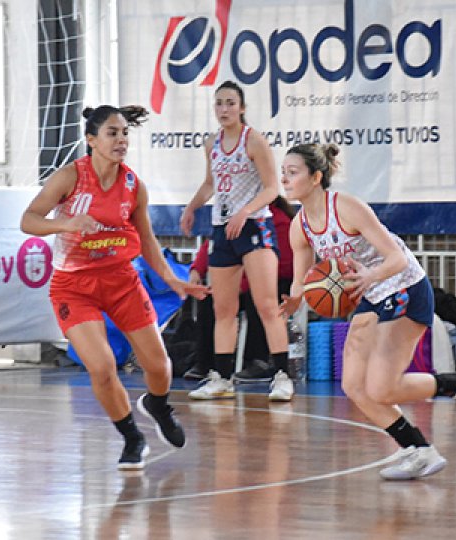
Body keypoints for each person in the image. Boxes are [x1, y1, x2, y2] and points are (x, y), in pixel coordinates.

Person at [278, 143, 456, 481]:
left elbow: (396, 258)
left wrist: (370, 275)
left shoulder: (347, 208)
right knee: (353, 385)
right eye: (284, 172)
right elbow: (303, 281)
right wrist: (294, 300)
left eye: (293, 172)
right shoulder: (300, 226)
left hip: (404, 286)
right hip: (371, 295)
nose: (285, 179)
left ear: (316, 176)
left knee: (381, 388)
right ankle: (418, 449)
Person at [20, 105, 208, 470]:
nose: (121, 139)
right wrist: (67, 224)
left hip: (121, 280)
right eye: (112, 133)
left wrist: (171, 278)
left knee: (159, 366)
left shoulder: (134, 185)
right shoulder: (69, 178)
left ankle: (157, 404)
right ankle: (131, 436)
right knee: (103, 366)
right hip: (74, 286)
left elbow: (147, 238)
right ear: (91, 140)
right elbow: (29, 220)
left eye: (124, 133)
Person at [180, 81, 292, 402]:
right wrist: (191, 206)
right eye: (219, 103)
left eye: (230, 103)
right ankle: (222, 377)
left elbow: (272, 188)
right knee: (223, 309)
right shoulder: (212, 143)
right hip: (222, 229)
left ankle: (282, 375)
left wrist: (246, 211)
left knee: (267, 305)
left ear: (242, 107)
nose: (224, 109)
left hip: (255, 226)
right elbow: (210, 184)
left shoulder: (254, 141)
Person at [183, 196, 296, 386]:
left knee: (259, 301)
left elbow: (283, 266)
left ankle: (259, 362)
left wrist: (241, 284)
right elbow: (212, 246)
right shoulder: (228, 218)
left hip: (277, 281)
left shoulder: (275, 221)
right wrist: (196, 269)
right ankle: (207, 364)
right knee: (209, 299)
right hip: (242, 280)